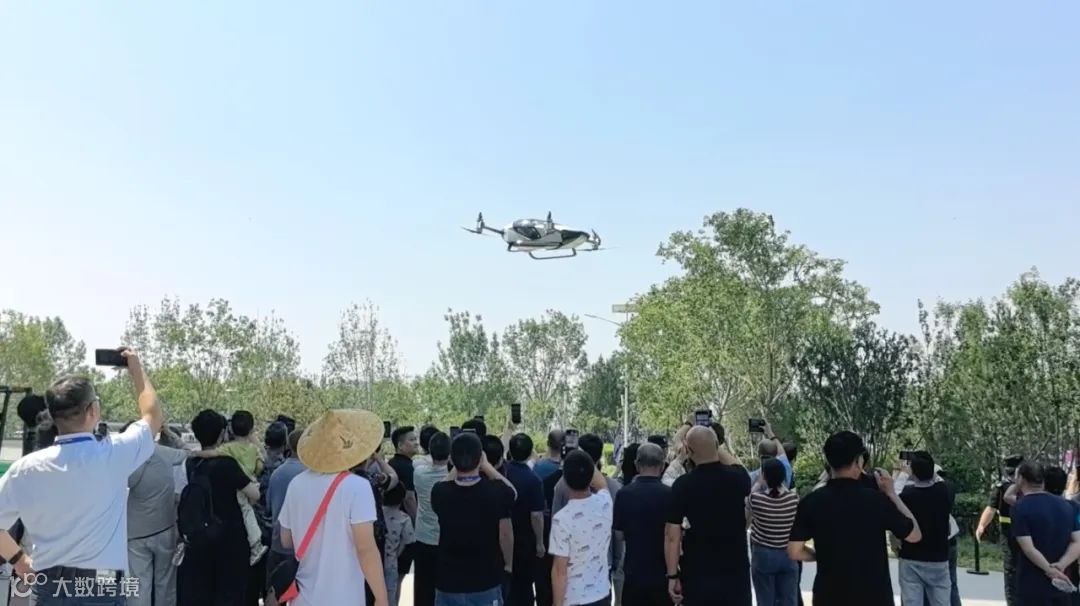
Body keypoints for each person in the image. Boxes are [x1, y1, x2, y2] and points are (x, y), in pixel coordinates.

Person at [0, 350, 161, 606]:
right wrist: (135, 368)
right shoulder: (115, 454)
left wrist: (19, 561)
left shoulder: (25, 469)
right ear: (93, 410)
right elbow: (152, 416)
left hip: (49, 585)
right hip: (102, 586)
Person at [787, 431, 922, 606]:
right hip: (874, 596)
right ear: (858, 461)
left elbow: (794, 551)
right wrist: (891, 494)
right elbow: (914, 535)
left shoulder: (812, 502)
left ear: (828, 462)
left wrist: (821, 556)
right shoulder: (876, 500)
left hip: (829, 595)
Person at [277, 409, 389, 606]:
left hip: (302, 597)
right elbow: (366, 549)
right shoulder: (357, 486)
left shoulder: (296, 483)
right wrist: (381, 598)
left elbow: (286, 540)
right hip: (344, 597)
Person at [177, 410, 261, 606]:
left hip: (199, 539)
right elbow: (254, 495)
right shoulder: (227, 464)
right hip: (230, 540)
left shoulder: (190, 463)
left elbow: (179, 497)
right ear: (222, 433)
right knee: (230, 594)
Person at [665, 425, 750, 606]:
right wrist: (712, 442)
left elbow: (672, 536)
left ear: (689, 451)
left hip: (698, 572)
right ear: (717, 446)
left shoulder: (683, 485)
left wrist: (672, 576)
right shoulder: (738, 478)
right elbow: (736, 464)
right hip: (735, 572)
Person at [431, 432, 516, 606]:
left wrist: (458, 464)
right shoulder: (495, 492)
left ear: (451, 459)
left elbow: (444, 482)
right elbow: (513, 492)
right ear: (480, 458)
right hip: (485, 580)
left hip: (448, 581)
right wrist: (486, 465)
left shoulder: (440, 493)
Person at [125, 425, 202, 606]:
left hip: (134, 533)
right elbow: (189, 452)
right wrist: (170, 434)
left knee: (138, 585)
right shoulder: (164, 453)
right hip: (165, 528)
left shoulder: (127, 459)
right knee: (165, 584)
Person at [551, 434, 624, 603]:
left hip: (573, 595)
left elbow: (560, 571)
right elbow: (602, 484)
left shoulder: (561, 519)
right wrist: (587, 461)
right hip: (601, 592)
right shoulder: (605, 502)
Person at [1008, 462, 1080, 606]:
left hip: (1032, 583)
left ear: (1021, 478)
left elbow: (1029, 548)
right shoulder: (1067, 506)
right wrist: (1061, 565)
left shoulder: (1020, 507)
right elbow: (1077, 541)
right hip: (1062, 582)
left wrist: (1049, 570)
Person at [613, 443, 672, 606]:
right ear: (662, 465)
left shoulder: (624, 494)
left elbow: (619, 535)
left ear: (636, 465)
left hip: (633, 573)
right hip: (662, 573)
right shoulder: (670, 494)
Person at [896, 452, 954, 606]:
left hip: (911, 557)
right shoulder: (944, 491)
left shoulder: (907, 496)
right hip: (938, 558)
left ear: (913, 472)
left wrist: (903, 473)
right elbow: (938, 479)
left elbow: (893, 494)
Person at [218, 410, 270, 566]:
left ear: (231, 429)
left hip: (237, 487)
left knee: (245, 512)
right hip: (252, 483)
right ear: (251, 429)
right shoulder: (253, 448)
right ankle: (255, 544)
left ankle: (256, 544)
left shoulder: (227, 448)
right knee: (248, 511)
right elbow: (261, 464)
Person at [747, 458, 799, 606]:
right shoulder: (794, 500)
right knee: (789, 600)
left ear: (764, 476)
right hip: (788, 554)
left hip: (763, 555)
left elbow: (747, 500)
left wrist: (758, 483)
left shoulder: (756, 499)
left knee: (765, 600)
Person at [265, 428, 306, 606]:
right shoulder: (311, 475)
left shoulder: (277, 473)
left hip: (278, 544)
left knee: (276, 596)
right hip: (303, 548)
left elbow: (269, 507)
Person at [504, 434, 546, 606]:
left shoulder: (502, 472)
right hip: (524, 541)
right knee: (524, 586)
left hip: (502, 536)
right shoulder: (533, 480)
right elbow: (536, 515)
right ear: (530, 452)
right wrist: (540, 542)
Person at [977, 455, 1024, 606]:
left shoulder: (1002, 486)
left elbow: (991, 509)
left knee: (1011, 569)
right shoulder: (1028, 485)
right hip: (1027, 531)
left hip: (1008, 532)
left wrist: (981, 526)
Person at [413, 432, 451, 606]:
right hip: (446, 539)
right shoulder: (452, 477)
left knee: (423, 588)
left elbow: (420, 462)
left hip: (423, 538)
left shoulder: (419, 472)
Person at [385, 426, 419, 600]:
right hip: (401, 527)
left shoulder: (391, 464)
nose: (416, 443)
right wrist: (416, 521)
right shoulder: (406, 467)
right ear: (399, 445)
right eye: (411, 440)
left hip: (388, 525)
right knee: (398, 577)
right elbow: (409, 498)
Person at [383, 484, 416, 606]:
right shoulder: (404, 518)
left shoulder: (377, 513)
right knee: (390, 593)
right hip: (391, 562)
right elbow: (408, 540)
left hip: (375, 560)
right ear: (402, 499)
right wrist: (397, 553)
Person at [749, 422, 793, 490]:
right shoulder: (786, 468)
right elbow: (781, 451)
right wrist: (770, 432)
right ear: (776, 454)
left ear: (759, 455)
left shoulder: (753, 477)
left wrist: (758, 483)